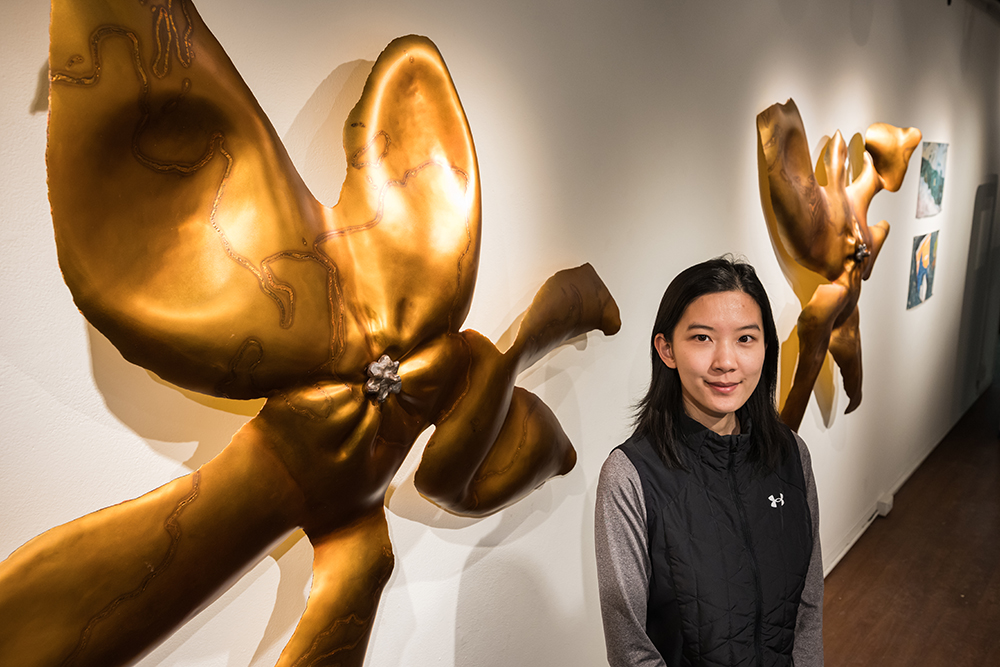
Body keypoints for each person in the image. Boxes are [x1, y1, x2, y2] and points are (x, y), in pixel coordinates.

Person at [595, 256, 823, 667]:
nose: (726, 362)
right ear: (667, 349)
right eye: (702, 338)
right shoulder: (630, 477)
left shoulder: (791, 454)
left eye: (746, 339)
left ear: (766, 347)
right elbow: (631, 647)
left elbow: (807, 606)